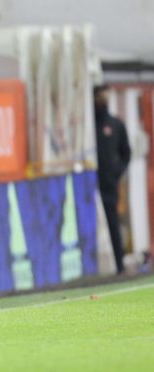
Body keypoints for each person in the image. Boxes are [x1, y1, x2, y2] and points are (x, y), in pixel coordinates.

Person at [94, 84, 131, 274]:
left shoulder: (115, 124)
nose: (103, 99)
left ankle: (119, 264)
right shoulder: (89, 125)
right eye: (99, 95)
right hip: (90, 185)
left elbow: (126, 153)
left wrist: (116, 172)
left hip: (109, 184)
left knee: (112, 222)